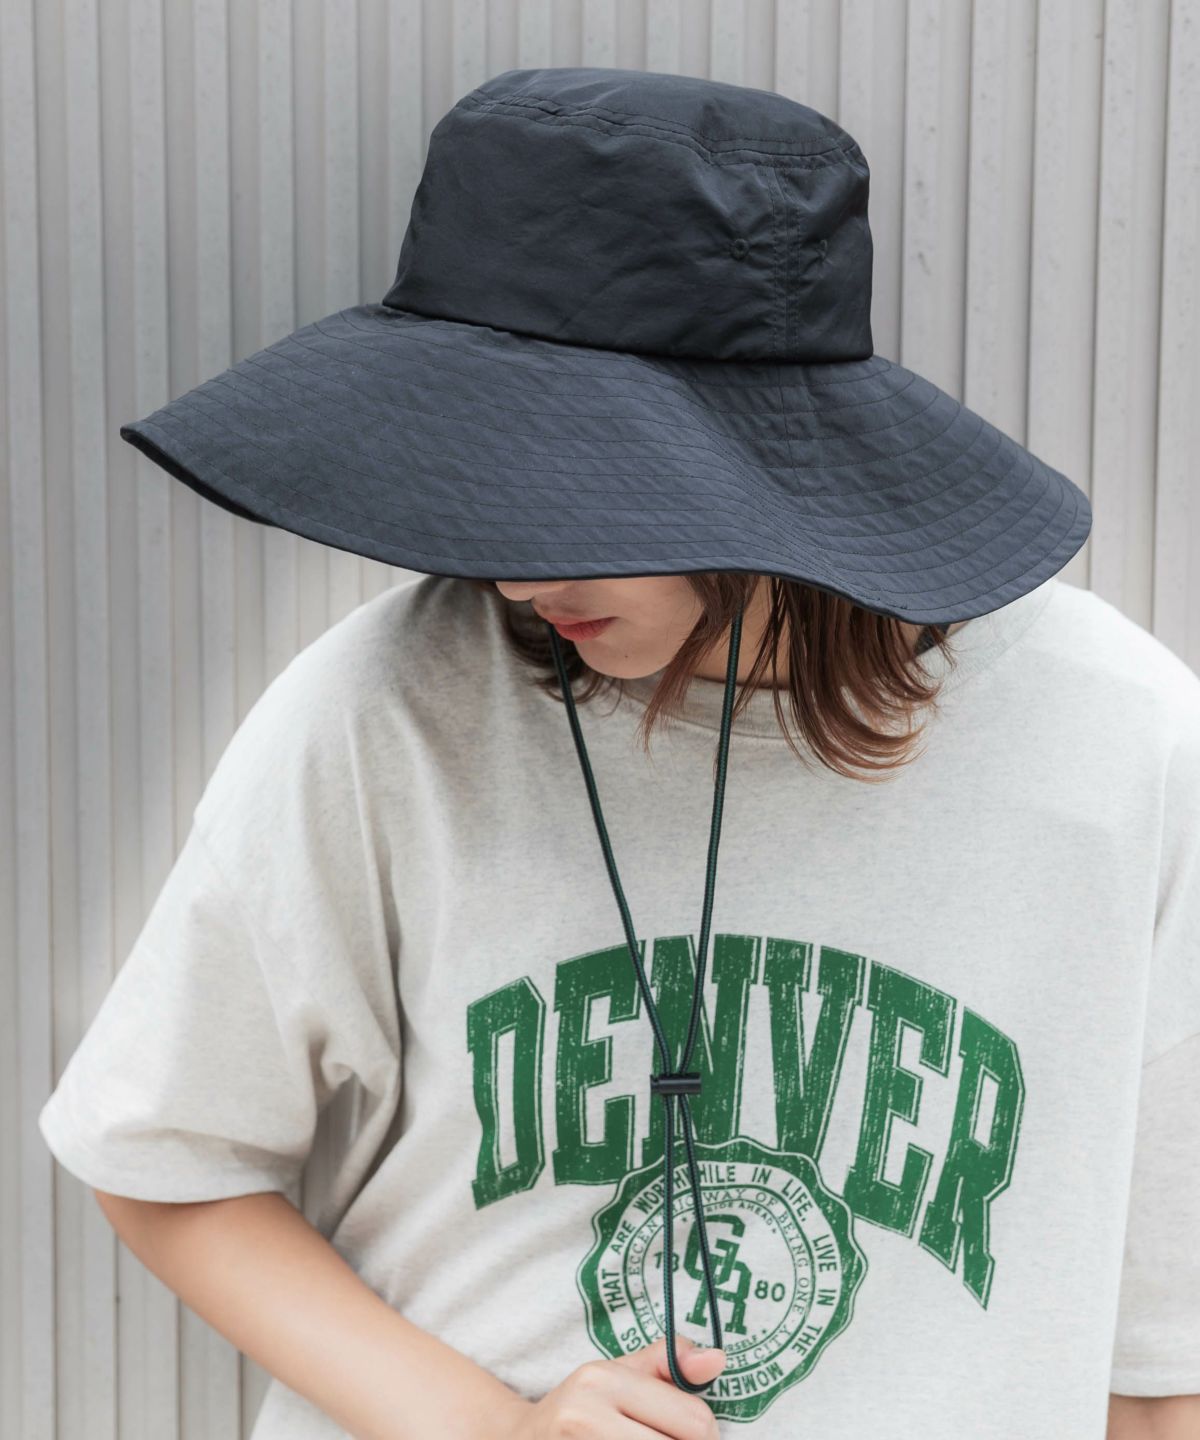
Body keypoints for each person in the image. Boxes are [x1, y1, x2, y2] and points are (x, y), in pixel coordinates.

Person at [38, 66, 1200, 1440]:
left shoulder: (1120, 741)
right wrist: (494, 1429)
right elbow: (164, 1158)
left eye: (582, 491)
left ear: (768, 459)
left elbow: (1158, 1357)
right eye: (482, 479)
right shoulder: (385, 705)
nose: (520, 574)